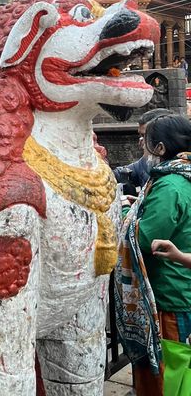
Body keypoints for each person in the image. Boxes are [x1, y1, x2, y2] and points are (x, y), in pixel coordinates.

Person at [115, 114, 191, 396]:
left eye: (145, 141)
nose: (142, 147)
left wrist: (124, 211)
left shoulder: (171, 184)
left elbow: (146, 237)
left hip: (171, 292)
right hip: (183, 286)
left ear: (160, 148)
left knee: (169, 368)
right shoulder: (185, 175)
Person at [113, 108, 173, 198]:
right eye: (140, 136)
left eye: (146, 136)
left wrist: (126, 206)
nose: (141, 141)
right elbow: (123, 172)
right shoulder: (148, 162)